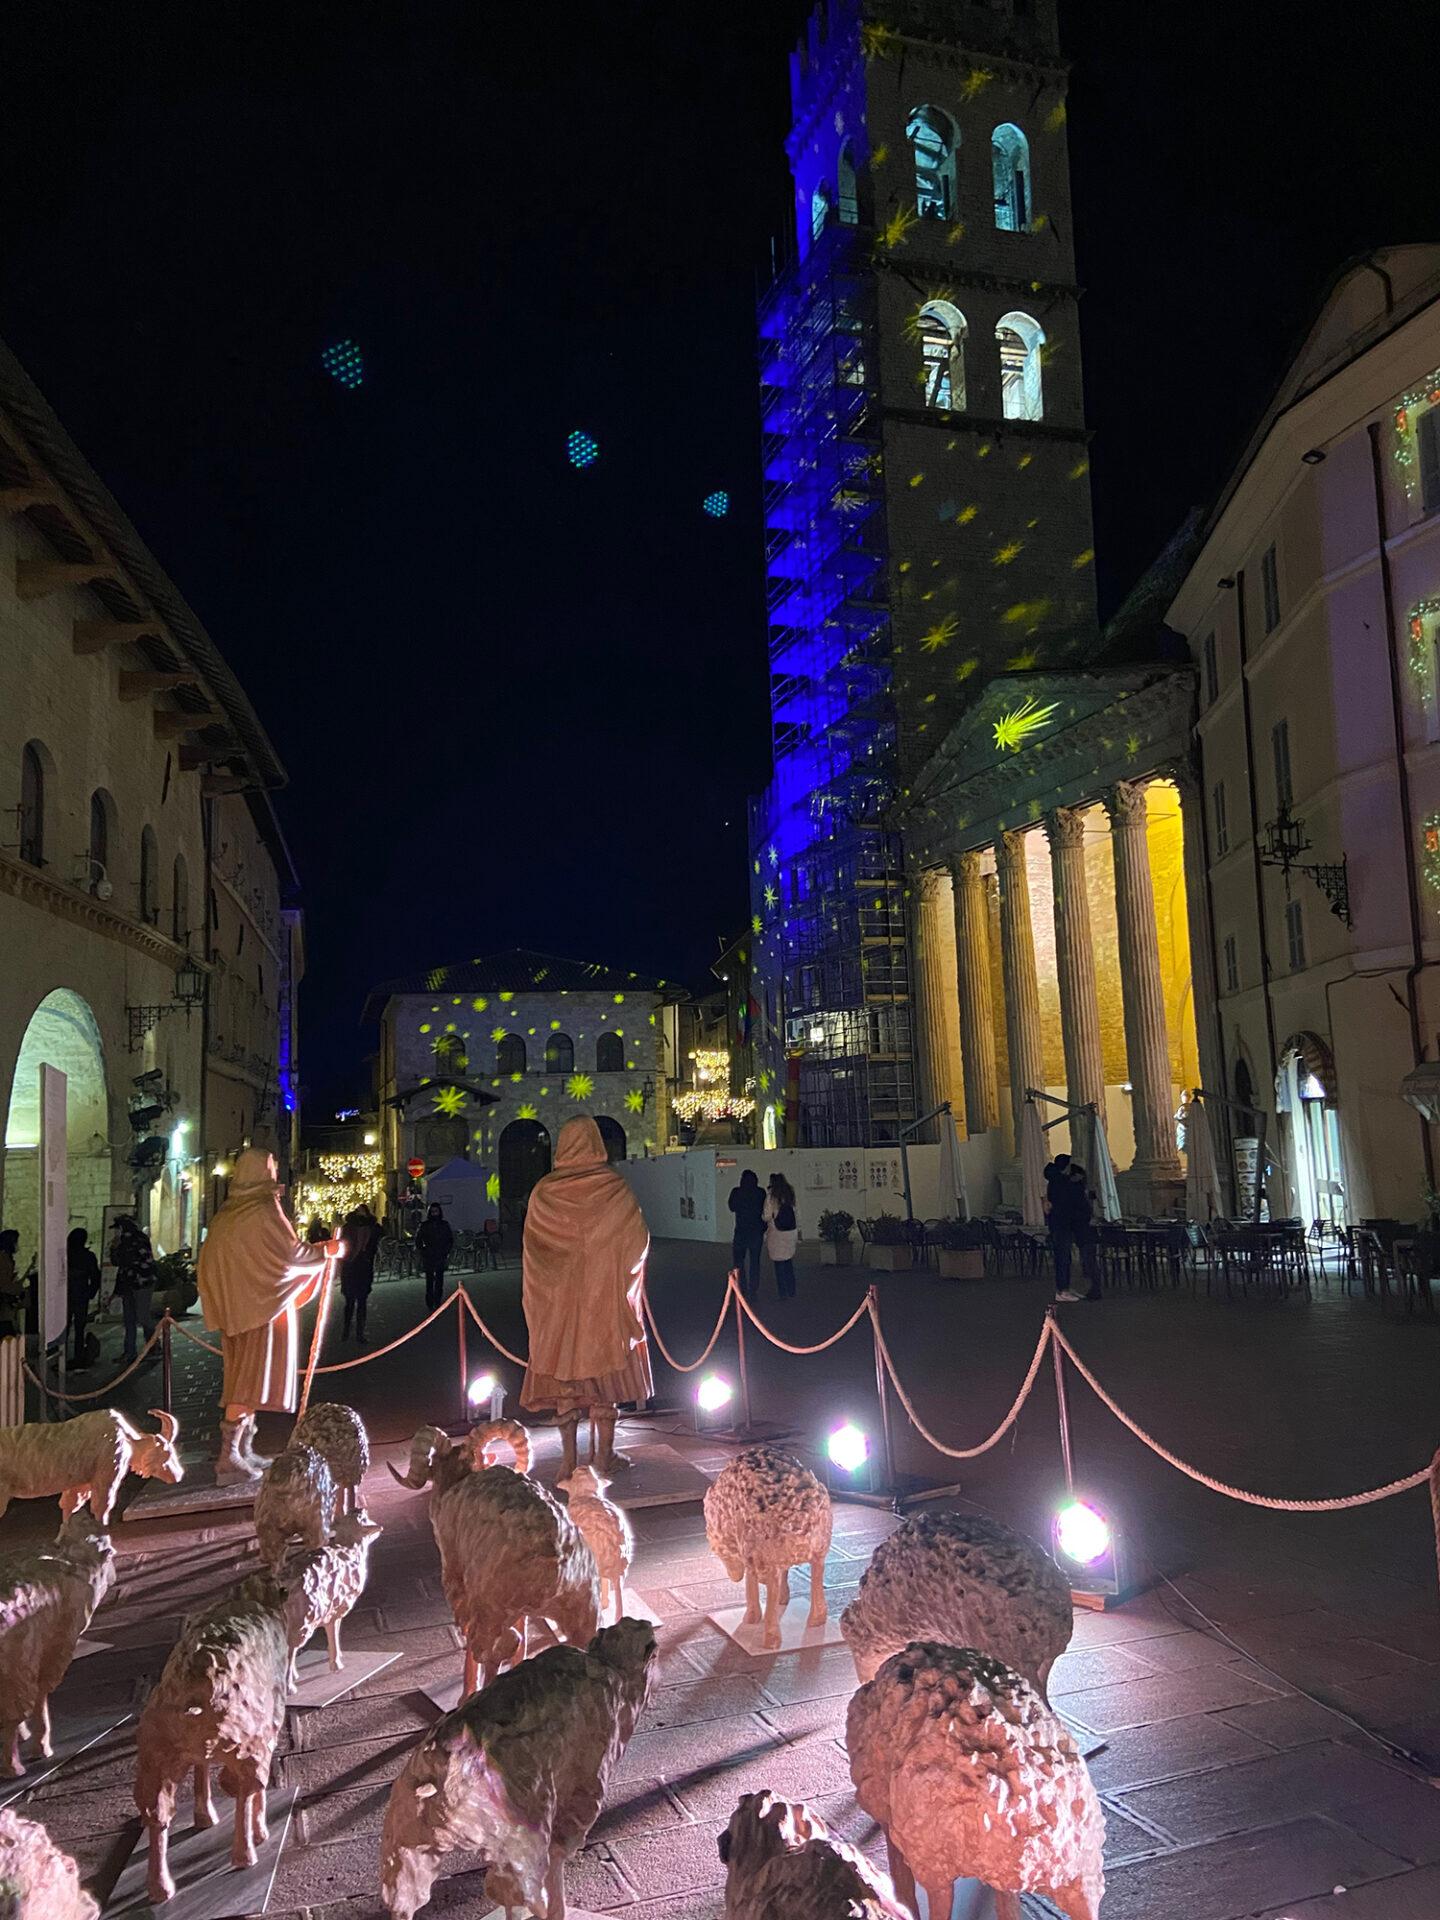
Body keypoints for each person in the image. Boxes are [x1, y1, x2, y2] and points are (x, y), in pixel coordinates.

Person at [196, 1148, 341, 1483]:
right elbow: (290, 1254)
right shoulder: (263, 1209)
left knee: (241, 1378)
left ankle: (243, 1449)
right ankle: (229, 1457)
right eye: (272, 1167)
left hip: (236, 1311)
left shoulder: (226, 1216)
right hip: (263, 1308)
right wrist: (325, 1252)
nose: (276, 1172)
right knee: (250, 1381)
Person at [520, 1114, 652, 1476]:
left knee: (566, 1383)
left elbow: (533, 1253)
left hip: (558, 1307)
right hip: (603, 1304)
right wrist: (609, 1267)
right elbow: (638, 1242)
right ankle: (603, 1456)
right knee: (606, 1380)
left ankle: (567, 1463)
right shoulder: (615, 1188)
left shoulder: (544, 1192)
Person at [1051, 1161, 1102, 1303]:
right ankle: (1092, 1288)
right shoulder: (1075, 1190)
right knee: (1088, 1259)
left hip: (1076, 1229)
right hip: (1081, 1229)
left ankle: (1090, 1288)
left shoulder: (1062, 1188)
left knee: (1086, 1260)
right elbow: (1082, 1209)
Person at [110, 1215, 157, 1361]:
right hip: (129, 1284)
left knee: (143, 1316)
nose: (115, 1233)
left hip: (141, 1283)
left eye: (117, 1229)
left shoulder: (134, 1240)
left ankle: (154, 1346)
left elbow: (124, 1261)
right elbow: (119, 1264)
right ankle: (130, 1351)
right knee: (129, 1319)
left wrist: (115, 1248)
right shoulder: (127, 1240)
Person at [339, 1202, 381, 1342]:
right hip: (351, 1267)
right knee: (350, 1302)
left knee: (362, 1301)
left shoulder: (371, 1228)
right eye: (358, 1210)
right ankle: (346, 1330)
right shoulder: (348, 1228)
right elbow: (343, 1245)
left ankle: (359, 1333)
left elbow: (376, 1240)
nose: (360, 1213)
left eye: (362, 1211)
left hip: (363, 1267)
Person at [727, 1169, 766, 1300]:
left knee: (739, 1261)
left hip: (741, 1231)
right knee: (755, 1261)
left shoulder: (737, 1192)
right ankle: (753, 1288)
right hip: (756, 1231)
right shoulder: (760, 1192)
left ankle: (741, 1286)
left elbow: (731, 1207)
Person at [65, 1226, 101, 1368]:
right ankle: (78, 1357)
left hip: (67, 1295)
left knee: (65, 1327)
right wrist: (91, 1293)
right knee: (80, 1328)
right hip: (81, 1294)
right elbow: (95, 1276)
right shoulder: (88, 1256)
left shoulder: (66, 1254)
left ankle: (62, 1356)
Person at [762, 1171, 799, 1300]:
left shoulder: (772, 1196)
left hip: (777, 1231)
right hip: (790, 1231)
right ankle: (792, 1289)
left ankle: (783, 1292)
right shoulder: (790, 1194)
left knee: (778, 1263)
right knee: (788, 1261)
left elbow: (767, 1215)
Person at [415, 1202, 454, 1310]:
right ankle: (430, 1301)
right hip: (429, 1255)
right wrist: (423, 1251)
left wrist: (446, 1251)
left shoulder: (444, 1225)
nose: (434, 1214)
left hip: (440, 1254)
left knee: (439, 1279)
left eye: (436, 1211)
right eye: (432, 1212)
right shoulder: (425, 1225)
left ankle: (437, 1300)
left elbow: (450, 1239)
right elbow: (418, 1240)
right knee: (430, 1280)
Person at [0, 1230, 22, 1339]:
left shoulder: (7, 1258)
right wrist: (17, 1288)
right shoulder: (3, 1259)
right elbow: (4, 1284)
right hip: (3, 1303)